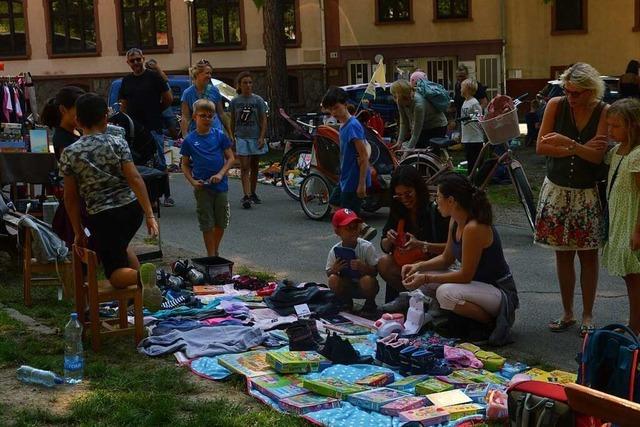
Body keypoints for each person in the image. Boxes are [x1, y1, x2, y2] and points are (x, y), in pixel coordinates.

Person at [59, 93, 158, 303]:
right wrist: (149, 214)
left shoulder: (70, 153)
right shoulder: (118, 142)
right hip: (131, 210)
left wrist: (78, 231)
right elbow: (135, 178)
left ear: (77, 120)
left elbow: (70, 197)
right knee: (121, 246)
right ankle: (142, 295)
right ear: (106, 118)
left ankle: (144, 279)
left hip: (103, 216)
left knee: (114, 274)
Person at [534, 62, 609, 336]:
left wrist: (567, 144)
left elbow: (597, 156)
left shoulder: (603, 110)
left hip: (586, 193)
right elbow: (541, 146)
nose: (570, 97)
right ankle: (567, 313)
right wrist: (579, 149)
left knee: (588, 255)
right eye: (567, 91)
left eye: (576, 93)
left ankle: (588, 315)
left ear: (591, 92)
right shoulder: (556, 105)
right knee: (563, 255)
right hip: (557, 189)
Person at [401, 172, 518, 345]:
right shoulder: (455, 221)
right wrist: (417, 267)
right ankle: (452, 318)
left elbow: (465, 275)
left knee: (445, 292)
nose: (436, 201)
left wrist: (425, 276)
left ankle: (490, 324)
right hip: (477, 288)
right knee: (426, 280)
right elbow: (446, 259)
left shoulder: (473, 227)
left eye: (438, 196)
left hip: (498, 292)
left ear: (451, 201)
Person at [378, 165, 448, 309]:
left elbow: (451, 250)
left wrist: (421, 244)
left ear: (418, 189)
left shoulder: (435, 211)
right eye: (399, 195)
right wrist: (389, 240)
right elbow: (384, 246)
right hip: (406, 267)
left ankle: (420, 301)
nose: (404, 199)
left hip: (431, 266)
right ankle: (411, 301)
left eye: (408, 194)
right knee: (383, 263)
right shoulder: (398, 210)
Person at [601, 98, 640, 334]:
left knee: (635, 280)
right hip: (619, 220)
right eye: (609, 125)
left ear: (633, 126)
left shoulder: (637, 155)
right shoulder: (616, 151)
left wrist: (637, 230)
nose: (610, 131)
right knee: (629, 278)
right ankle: (633, 324)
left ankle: (635, 328)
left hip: (631, 222)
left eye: (615, 126)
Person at [118, 48, 175, 207]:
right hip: (134, 130)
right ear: (128, 63)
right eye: (132, 60)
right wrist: (124, 122)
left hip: (153, 126)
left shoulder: (154, 77)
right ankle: (148, 197)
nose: (136, 63)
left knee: (159, 162)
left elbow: (168, 98)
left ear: (143, 58)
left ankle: (167, 195)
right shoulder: (126, 81)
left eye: (138, 59)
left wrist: (157, 110)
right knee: (138, 163)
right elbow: (123, 104)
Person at [321, 86, 377, 241]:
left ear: (345, 104)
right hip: (345, 177)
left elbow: (364, 155)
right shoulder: (343, 125)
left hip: (354, 179)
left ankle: (357, 237)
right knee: (334, 202)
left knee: (347, 219)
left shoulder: (353, 125)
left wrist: (361, 184)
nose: (334, 112)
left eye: (336, 108)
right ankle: (362, 227)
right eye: (331, 109)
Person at [180, 99, 234, 257]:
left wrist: (220, 174)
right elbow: (184, 164)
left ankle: (215, 250)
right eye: (203, 115)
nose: (207, 119)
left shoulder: (219, 136)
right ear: (195, 117)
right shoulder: (190, 140)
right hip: (202, 188)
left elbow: (230, 158)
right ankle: (211, 255)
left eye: (210, 116)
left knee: (221, 222)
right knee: (207, 223)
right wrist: (192, 182)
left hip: (220, 186)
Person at [326, 208, 379, 317]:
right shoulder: (335, 250)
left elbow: (375, 272)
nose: (353, 231)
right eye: (348, 228)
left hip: (363, 285)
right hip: (347, 284)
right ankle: (346, 302)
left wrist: (364, 267)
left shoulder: (366, 247)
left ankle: (369, 303)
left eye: (355, 227)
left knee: (367, 280)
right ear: (337, 232)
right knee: (333, 279)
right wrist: (334, 270)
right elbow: (328, 272)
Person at [229, 71, 268, 209]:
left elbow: (263, 119)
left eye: (250, 82)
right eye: (245, 82)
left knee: (255, 165)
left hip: (255, 136)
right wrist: (231, 135)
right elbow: (233, 119)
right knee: (244, 166)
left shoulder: (258, 101)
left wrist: (262, 136)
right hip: (241, 136)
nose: (248, 85)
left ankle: (253, 192)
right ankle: (246, 195)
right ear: (240, 85)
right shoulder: (235, 101)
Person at [391, 79, 448, 150]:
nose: (394, 99)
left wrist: (407, 151)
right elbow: (404, 122)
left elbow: (416, 133)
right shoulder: (400, 102)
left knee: (428, 153)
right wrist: (399, 142)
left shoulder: (418, 105)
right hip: (423, 127)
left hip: (436, 126)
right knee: (417, 151)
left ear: (403, 96)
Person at [180, 59, 230, 137]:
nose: (209, 76)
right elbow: (185, 117)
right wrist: (185, 136)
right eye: (207, 73)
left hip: (214, 132)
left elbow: (221, 113)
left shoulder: (214, 91)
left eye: (210, 73)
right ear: (197, 74)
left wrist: (230, 133)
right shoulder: (188, 93)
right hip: (197, 133)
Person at [41, 86, 85, 160]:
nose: (83, 114)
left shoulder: (77, 130)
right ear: (63, 110)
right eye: (79, 110)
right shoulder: (62, 139)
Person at [460, 79, 485, 175]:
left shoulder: (474, 103)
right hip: (467, 137)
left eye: (462, 87)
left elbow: (479, 118)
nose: (460, 89)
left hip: (475, 138)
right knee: (470, 160)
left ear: (468, 89)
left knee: (476, 161)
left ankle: (479, 179)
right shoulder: (465, 102)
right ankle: (472, 179)